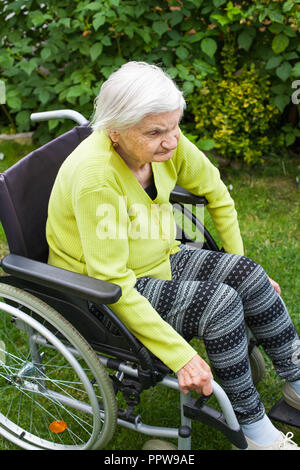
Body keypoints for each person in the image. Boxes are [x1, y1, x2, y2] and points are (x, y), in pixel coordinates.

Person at [46, 61, 300, 450]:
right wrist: (181, 357)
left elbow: (217, 193)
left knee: (248, 276)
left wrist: (242, 271)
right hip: (99, 290)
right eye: (155, 132)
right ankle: (252, 429)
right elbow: (115, 281)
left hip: (159, 255)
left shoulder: (168, 145)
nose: (170, 141)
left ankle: (297, 381)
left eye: (174, 126)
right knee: (220, 305)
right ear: (114, 131)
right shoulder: (96, 178)